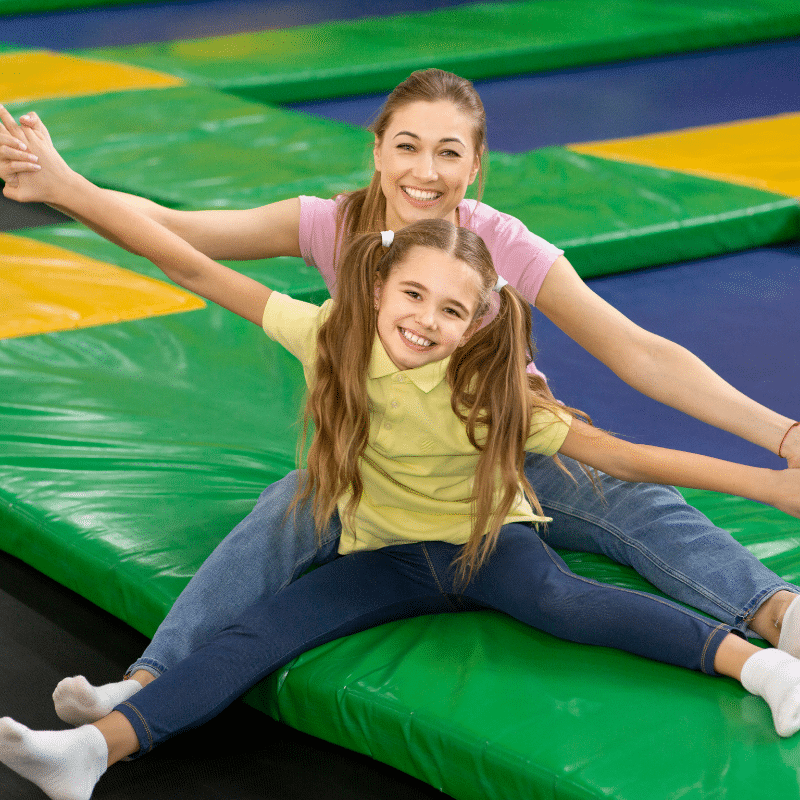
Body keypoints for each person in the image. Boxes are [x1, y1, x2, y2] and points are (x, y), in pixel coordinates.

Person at [2, 139, 800, 798]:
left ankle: (760, 662)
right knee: (264, 629)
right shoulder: (325, 335)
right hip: (384, 556)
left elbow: (621, 456)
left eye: (451, 310)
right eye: (412, 296)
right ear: (376, 286)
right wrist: (66, 189)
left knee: (573, 601)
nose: (425, 320)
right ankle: (94, 750)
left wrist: (769, 481)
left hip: (491, 548)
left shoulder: (493, 392)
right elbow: (190, 264)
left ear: (477, 320)